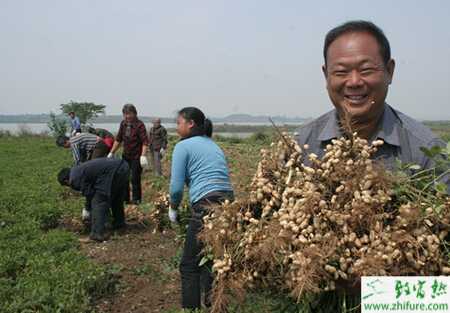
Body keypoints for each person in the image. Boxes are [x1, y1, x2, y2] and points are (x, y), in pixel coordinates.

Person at [296, 20, 447, 174]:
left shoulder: (428, 153)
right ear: (326, 75)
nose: (354, 82)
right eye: (341, 72)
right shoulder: (300, 147)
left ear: (389, 71)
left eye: (366, 70)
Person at [168, 107, 234, 310]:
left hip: (206, 203)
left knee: (189, 264)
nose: (176, 126)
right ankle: (212, 304)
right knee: (211, 256)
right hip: (228, 203)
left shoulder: (183, 146)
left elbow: (176, 187)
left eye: (178, 122)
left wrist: (173, 208)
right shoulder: (212, 144)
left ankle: (190, 308)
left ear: (191, 124)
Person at [57, 158, 129, 242]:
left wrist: (87, 209)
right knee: (116, 199)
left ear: (66, 181)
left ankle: (96, 234)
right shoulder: (79, 170)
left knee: (98, 202)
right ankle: (119, 224)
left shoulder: (74, 178)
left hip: (111, 172)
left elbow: (90, 194)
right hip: (123, 166)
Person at [108, 104, 149, 205]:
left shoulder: (139, 125)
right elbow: (118, 139)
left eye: (129, 114)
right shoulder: (123, 124)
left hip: (136, 156)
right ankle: (125, 198)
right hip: (126, 155)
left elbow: (145, 142)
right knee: (123, 178)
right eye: (125, 114)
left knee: (135, 178)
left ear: (134, 114)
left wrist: (143, 155)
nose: (127, 116)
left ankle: (136, 200)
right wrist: (111, 152)